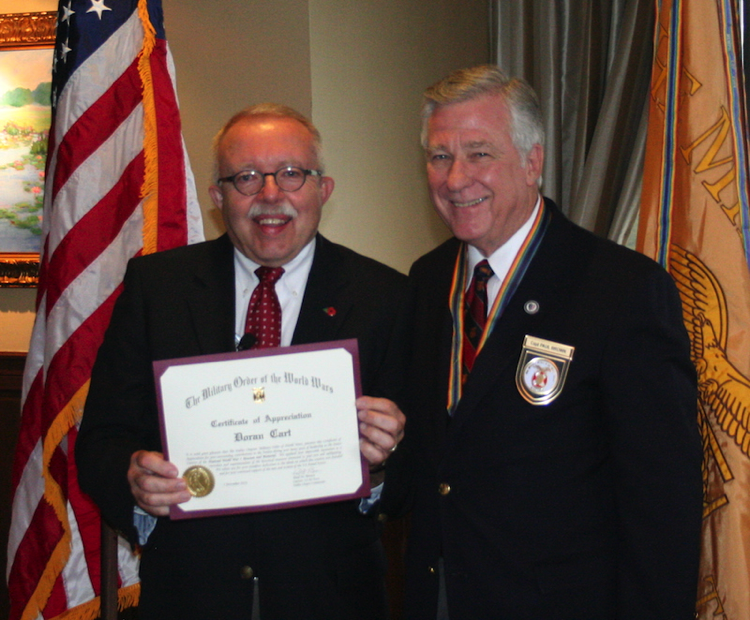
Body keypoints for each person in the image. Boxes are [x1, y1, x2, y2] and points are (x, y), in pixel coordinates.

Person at [380, 65, 703, 619]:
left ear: (533, 162)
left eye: (479, 153)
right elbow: (438, 459)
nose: (456, 179)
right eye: (439, 157)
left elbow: (662, 507)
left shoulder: (620, 289)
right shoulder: (428, 279)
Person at [76, 103, 406, 620]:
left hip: (331, 597)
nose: (270, 195)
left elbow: (421, 463)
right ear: (217, 197)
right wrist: (134, 481)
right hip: (190, 594)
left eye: (292, 174)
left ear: (324, 189)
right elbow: (100, 439)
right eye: (246, 178)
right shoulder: (157, 288)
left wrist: (384, 463)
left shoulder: (387, 296)